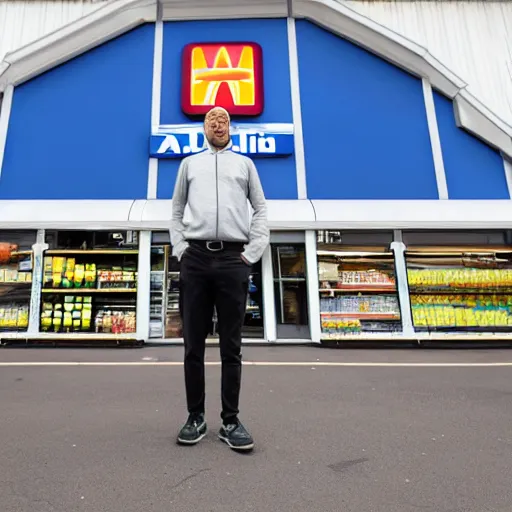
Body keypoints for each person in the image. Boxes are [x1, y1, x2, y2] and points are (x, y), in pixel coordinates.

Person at [170, 106, 269, 451]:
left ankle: (230, 420)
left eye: (224, 120)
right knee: (193, 345)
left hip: (232, 259)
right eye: (212, 120)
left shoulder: (244, 164)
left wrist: (251, 254)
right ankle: (195, 417)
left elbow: (261, 207)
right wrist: (181, 248)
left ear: (231, 128)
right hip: (195, 258)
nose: (218, 124)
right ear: (204, 129)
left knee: (231, 346)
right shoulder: (189, 164)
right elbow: (176, 209)